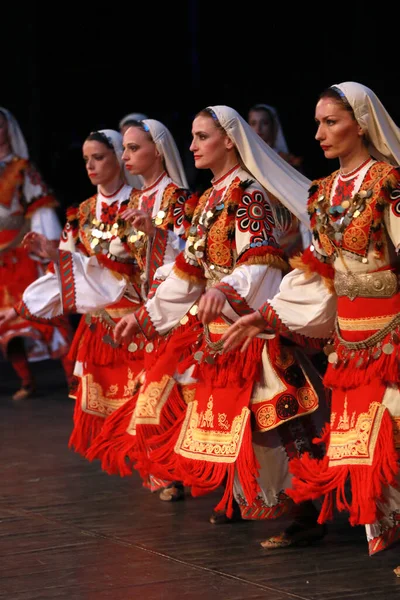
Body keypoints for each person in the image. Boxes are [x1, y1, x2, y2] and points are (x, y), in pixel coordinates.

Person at [91, 105, 329, 536]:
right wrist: (145, 317)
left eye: (202, 137)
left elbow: (261, 262)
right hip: (218, 328)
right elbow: (188, 268)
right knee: (238, 423)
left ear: (230, 141)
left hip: (247, 324)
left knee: (277, 419)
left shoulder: (247, 194)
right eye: (193, 137)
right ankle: (252, 500)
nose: (192, 146)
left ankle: (305, 508)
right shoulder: (209, 199)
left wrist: (224, 289)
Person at [222, 82, 400, 561]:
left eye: (332, 122)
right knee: (361, 446)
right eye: (318, 123)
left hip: (393, 336)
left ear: (360, 124)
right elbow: (319, 270)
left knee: (395, 440)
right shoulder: (322, 195)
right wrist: (263, 315)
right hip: (350, 343)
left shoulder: (388, 183)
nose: (320, 133)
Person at [8, 122, 195, 460]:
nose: (91, 166)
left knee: (155, 400)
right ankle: (152, 466)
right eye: (85, 160)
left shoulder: (143, 202)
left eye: (98, 157)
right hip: (103, 327)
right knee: (121, 410)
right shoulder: (80, 213)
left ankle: (165, 467)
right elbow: (68, 266)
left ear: (118, 160)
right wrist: (47, 264)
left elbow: (165, 258)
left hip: (142, 318)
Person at [0, 107, 72, 401]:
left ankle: (73, 379)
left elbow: (39, 207)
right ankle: (26, 380)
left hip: (20, 252)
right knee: (5, 323)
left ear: (8, 129)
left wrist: (48, 248)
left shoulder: (21, 168)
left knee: (44, 309)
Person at [248, 103, 311, 253]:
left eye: (264, 123)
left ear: (273, 127)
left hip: (284, 228)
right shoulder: (243, 164)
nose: (259, 129)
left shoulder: (286, 162)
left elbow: (301, 199)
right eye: (253, 123)